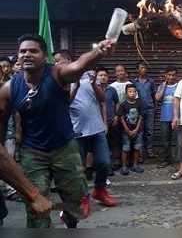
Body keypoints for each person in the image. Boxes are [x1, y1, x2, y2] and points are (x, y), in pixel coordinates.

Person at [0, 34, 115, 227]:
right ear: (17, 57)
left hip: (64, 147)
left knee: (77, 203)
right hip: (32, 152)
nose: (27, 54)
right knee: (36, 211)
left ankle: (70, 222)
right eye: (22, 51)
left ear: (44, 57)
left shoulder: (57, 74)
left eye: (33, 51)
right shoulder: (8, 89)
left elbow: (79, 65)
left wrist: (98, 51)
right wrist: (32, 194)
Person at [70, 69, 117, 207]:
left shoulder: (88, 78)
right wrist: (75, 86)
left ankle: (99, 190)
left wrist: (93, 84)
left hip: (97, 129)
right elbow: (64, 103)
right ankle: (82, 198)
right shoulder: (62, 81)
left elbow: (102, 99)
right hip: (77, 132)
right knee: (79, 168)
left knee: (104, 163)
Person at [97, 67, 121, 172]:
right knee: (102, 146)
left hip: (112, 121)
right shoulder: (93, 89)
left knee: (114, 143)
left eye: (105, 75)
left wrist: (116, 116)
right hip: (98, 123)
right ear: (96, 77)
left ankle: (114, 163)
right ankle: (104, 166)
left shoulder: (112, 90)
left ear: (108, 77)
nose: (103, 77)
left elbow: (117, 103)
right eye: (100, 75)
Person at [117, 84, 144, 175]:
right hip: (126, 131)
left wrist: (136, 129)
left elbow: (140, 117)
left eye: (134, 92)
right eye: (130, 91)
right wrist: (127, 130)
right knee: (126, 148)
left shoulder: (139, 103)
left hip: (138, 131)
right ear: (126, 93)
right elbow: (121, 118)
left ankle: (135, 165)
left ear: (136, 93)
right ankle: (124, 166)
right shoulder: (123, 104)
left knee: (137, 148)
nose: (132, 93)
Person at [132, 62, 156, 159]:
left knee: (149, 131)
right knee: (140, 131)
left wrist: (154, 107)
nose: (144, 70)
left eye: (145, 68)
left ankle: (149, 151)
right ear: (137, 70)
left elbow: (154, 96)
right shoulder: (134, 82)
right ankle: (140, 153)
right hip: (139, 110)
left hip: (150, 109)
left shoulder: (151, 82)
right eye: (141, 68)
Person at [155, 66, 178, 168]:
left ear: (176, 76)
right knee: (165, 141)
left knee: (177, 141)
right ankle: (166, 160)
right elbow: (157, 98)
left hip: (176, 118)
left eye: (173, 75)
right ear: (165, 75)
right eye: (169, 75)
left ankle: (177, 161)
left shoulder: (179, 86)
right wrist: (164, 86)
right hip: (164, 118)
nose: (171, 77)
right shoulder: (161, 86)